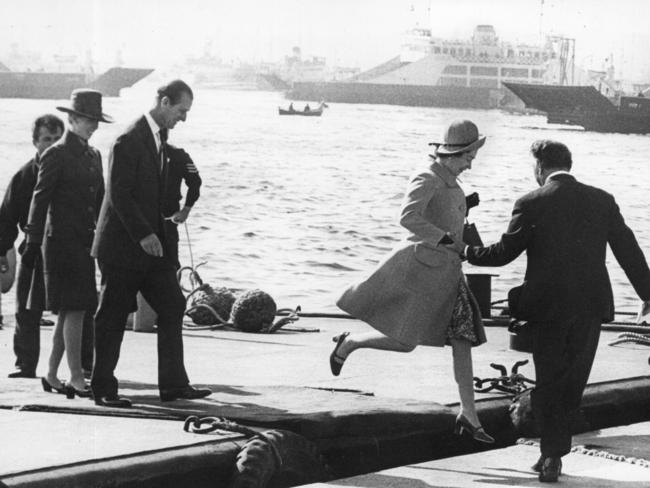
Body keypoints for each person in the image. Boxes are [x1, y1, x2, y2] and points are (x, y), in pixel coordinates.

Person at [465, 139, 650, 482]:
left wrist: (467, 250)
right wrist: (649, 293)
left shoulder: (530, 202)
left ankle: (551, 455)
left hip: (547, 309)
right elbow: (629, 251)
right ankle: (553, 451)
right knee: (573, 381)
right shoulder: (602, 199)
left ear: (539, 167)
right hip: (592, 305)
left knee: (549, 379)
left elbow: (504, 253)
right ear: (568, 163)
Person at [333, 120, 494, 444]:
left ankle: (469, 414)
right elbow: (408, 218)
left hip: (449, 273)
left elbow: (441, 213)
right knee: (406, 343)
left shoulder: (449, 180)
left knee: (463, 339)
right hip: (424, 270)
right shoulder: (427, 176)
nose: (470, 163)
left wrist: (462, 216)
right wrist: (448, 240)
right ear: (454, 154)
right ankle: (350, 343)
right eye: (468, 157)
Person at [91, 79, 211, 408]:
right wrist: (145, 234)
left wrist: (159, 237)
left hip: (151, 249)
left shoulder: (159, 141)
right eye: (181, 110)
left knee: (173, 305)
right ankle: (102, 387)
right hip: (123, 247)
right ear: (164, 101)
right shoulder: (128, 140)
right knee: (113, 315)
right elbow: (119, 195)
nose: (183, 118)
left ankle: (173, 386)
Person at [23, 91, 110, 398]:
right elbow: (40, 198)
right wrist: (32, 242)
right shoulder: (56, 154)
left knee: (71, 311)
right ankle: (75, 377)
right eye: (88, 120)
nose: (93, 126)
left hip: (83, 243)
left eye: (96, 121)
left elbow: (100, 200)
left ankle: (50, 373)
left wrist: (105, 235)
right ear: (71, 119)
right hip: (59, 243)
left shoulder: (93, 155)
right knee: (74, 309)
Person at [0, 114, 64, 378]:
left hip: (66, 245)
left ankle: (84, 364)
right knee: (26, 309)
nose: (52, 145)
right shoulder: (24, 176)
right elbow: (5, 219)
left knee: (76, 308)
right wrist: (3, 255)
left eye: (58, 139)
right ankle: (25, 364)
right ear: (35, 142)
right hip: (34, 247)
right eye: (47, 139)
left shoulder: (74, 172)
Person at [160, 128, 202, 269]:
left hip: (169, 219)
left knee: (170, 264)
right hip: (143, 221)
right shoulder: (139, 154)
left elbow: (195, 182)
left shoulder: (178, 155)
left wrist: (186, 209)